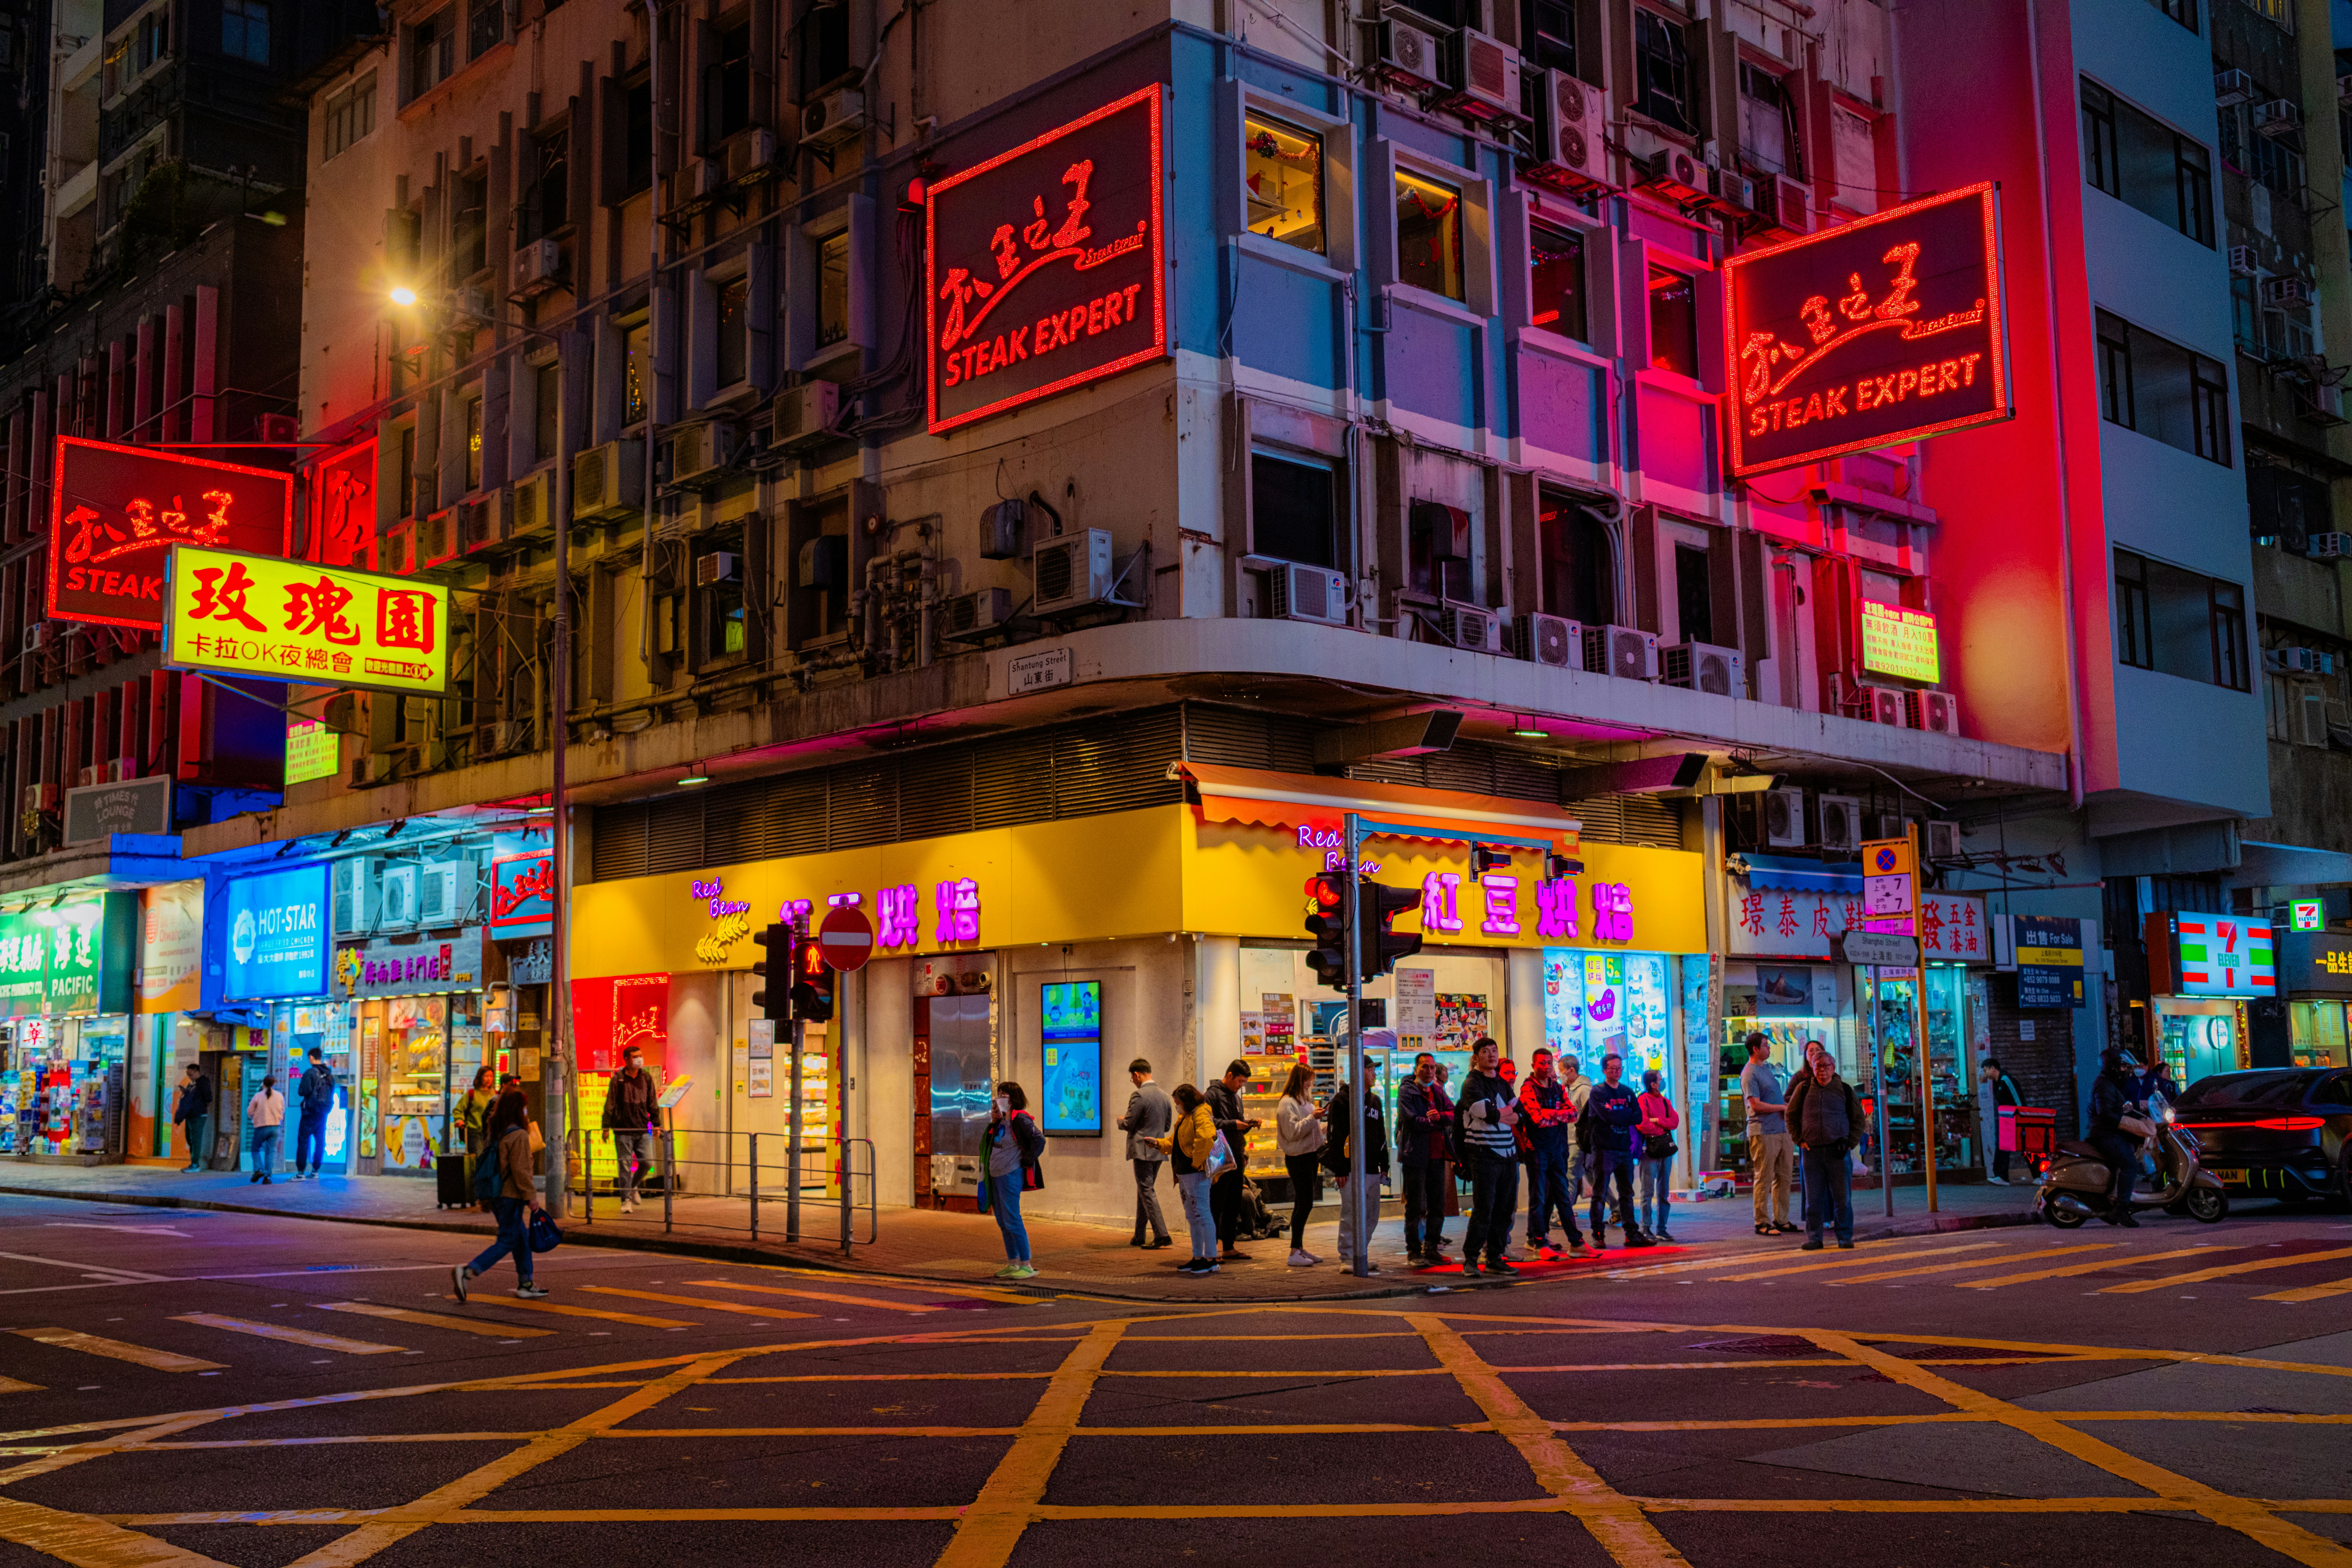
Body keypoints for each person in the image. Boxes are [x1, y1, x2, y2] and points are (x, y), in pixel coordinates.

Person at [453, 1090, 548, 1301]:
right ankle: (469, 1271)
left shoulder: (496, 1133)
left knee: (521, 1239)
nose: (526, 1111)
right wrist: (531, 1196)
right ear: (518, 1110)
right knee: (508, 1240)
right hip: (510, 1197)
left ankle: (526, 1284)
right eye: (524, 1107)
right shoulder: (519, 1135)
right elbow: (521, 1171)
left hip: (496, 1195)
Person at [1454, 1037, 1521, 1278]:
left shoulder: (1503, 1083)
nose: (1492, 1055)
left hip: (1508, 1156)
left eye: (1495, 1051)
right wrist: (1504, 1115)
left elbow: (1520, 1114)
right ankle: (1471, 1259)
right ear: (1476, 1057)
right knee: (1484, 1210)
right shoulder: (1472, 1083)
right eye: (1486, 1051)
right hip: (1483, 1156)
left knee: (1505, 1210)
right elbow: (1483, 1113)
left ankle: (1495, 1257)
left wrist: (1500, 1115)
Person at [1786, 1050, 1863, 1249]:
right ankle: (1814, 1238)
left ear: (1834, 1068)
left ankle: (1845, 1237)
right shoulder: (1803, 1090)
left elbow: (1858, 1119)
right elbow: (1791, 1116)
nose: (1822, 1070)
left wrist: (1850, 1143)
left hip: (1838, 1153)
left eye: (1827, 1066)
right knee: (1813, 1200)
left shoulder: (1845, 1090)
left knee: (1843, 1198)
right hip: (1811, 1152)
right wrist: (1799, 1140)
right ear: (1812, 1068)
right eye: (1818, 1066)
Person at [1517, 1049, 1589, 1258]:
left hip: (1558, 1149)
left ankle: (1576, 1243)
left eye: (1550, 1063)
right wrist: (1558, 1115)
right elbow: (1537, 1119)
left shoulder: (1557, 1088)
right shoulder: (1528, 1089)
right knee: (1538, 1198)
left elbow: (1573, 1114)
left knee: (1563, 1196)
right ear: (1534, 1066)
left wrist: (1550, 1114)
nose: (1547, 1067)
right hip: (1537, 1151)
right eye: (1542, 1063)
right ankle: (1539, 1243)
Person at [1325, 1054, 1389, 1267]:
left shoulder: (1375, 1101)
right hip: (1351, 1168)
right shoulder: (1342, 1100)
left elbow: (1381, 1135)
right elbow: (1335, 1137)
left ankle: (1360, 1253)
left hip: (1372, 1168)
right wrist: (1340, 1169)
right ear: (1358, 1071)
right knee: (1351, 1214)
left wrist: (1385, 1166)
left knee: (1372, 1215)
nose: (1374, 1073)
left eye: (1374, 1070)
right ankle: (1347, 1257)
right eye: (1370, 1069)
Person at [1581, 1054, 1652, 1248]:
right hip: (1604, 1149)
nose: (1616, 1071)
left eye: (1619, 1068)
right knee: (1600, 1193)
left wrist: (1619, 1115)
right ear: (1604, 1070)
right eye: (1612, 1068)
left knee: (1627, 1193)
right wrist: (1624, 1114)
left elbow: (1638, 1117)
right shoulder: (1598, 1092)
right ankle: (1598, 1234)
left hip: (1624, 1149)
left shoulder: (1627, 1092)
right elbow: (1607, 1116)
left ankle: (1632, 1234)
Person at [1150, 1083, 1220, 1273]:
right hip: (1185, 1176)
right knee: (1193, 1216)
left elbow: (1206, 1138)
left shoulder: (1201, 1113)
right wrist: (1158, 1143)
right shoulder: (1186, 1117)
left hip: (1196, 1174)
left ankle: (1211, 1259)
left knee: (1203, 1214)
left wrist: (1196, 1162)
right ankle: (1198, 1256)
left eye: (1178, 1102)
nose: (1177, 1106)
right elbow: (1176, 1141)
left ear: (1187, 1101)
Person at [980, 1080, 1043, 1279]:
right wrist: (993, 1122)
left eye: (1004, 1095)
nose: (1000, 1099)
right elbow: (989, 1143)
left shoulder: (1020, 1119)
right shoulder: (1000, 1121)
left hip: (1011, 1174)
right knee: (1002, 1221)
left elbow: (1039, 1139)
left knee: (1013, 1219)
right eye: (999, 1094)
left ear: (1013, 1098)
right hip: (996, 1175)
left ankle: (1027, 1265)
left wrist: (1027, 1160)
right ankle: (1013, 1263)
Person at [1397, 1052, 1454, 1265]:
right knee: (1415, 1206)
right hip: (1415, 1155)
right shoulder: (1407, 1091)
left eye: (1432, 1068)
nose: (1429, 1071)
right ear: (1416, 1069)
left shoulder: (1437, 1091)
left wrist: (1440, 1119)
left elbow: (1452, 1112)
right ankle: (1413, 1251)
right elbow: (1409, 1120)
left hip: (1437, 1156)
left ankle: (1431, 1248)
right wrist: (1434, 1123)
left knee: (1437, 1205)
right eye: (1425, 1067)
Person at [1206, 1060, 1260, 1262]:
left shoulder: (1237, 1098)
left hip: (1237, 1155)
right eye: (1239, 1081)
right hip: (1221, 1156)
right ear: (1229, 1076)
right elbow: (1209, 1124)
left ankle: (1229, 1247)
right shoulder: (1212, 1095)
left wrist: (1248, 1125)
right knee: (1217, 1202)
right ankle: (1211, 1249)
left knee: (1233, 1202)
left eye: (1244, 1082)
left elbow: (1237, 1126)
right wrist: (1233, 1124)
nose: (1241, 1085)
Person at [1741, 1034, 1796, 1236]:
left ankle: (1781, 1219)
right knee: (1764, 1177)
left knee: (1784, 1177)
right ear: (1755, 1049)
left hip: (1782, 1130)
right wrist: (1781, 1107)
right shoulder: (1750, 1073)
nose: (1769, 1048)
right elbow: (1754, 1105)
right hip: (1763, 1131)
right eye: (1766, 1045)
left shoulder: (1768, 1069)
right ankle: (1761, 1222)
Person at [1117, 1057, 1175, 1250]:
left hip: (1142, 1150)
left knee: (1147, 1191)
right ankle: (1139, 1235)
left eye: (1132, 1078)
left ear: (1136, 1075)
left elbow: (1128, 1124)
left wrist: (1120, 1120)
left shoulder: (1139, 1096)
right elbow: (1167, 1126)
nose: (1133, 1082)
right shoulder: (1165, 1096)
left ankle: (1162, 1235)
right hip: (1158, 1150)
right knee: (1145, 1190)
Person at [2087, 1046, 2145, 1226]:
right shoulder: (2104, 1085)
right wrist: (2124, 1122)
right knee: (2130, 1166)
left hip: (2112, 1133)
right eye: (2123, 1068)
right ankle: (2122, 1210)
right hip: (2105, 1134)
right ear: (2112, 1066)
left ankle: (2112, 1205)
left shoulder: (2111, 1084)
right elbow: (2105, 1113)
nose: (2125, 1072)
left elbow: (2119, 1108)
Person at [1274, 1062, 1325, 1267]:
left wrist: (1322, 1125)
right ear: (1299, 1080)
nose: (1310, 1084)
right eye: (1307, 1080)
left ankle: (1300, 1248)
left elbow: (1311, 1129)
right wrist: (1313, 1118)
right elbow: (1292, 1132)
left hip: (1311, 1155)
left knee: (1303, 1203)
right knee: (1305, 1203)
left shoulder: (1304, 1100)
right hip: (1298, 1158)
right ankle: (1294, 1251)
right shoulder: (1287, 1103)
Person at [601, 1046, 660, 1213]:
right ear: (627, 1059)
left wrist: (656, 1125)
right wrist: (606, 1127)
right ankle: (625, 1201)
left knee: (648, 1162)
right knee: (625, 1166)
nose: (639, 1059)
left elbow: (652, 1104)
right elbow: (610, 1104)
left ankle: (632, 1187)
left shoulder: (646, 1079)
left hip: (641, 1129)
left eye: (641, 1056)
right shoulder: (618, 1079)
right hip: (623, 1130)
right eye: (635, 1057)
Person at [1636, 1068, 1680, 1242]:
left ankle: (1662, 1229)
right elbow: (1642, 1125)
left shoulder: (1664, 1101)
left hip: (1664, 1151)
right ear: (1653, 1084)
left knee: (1663, 1191)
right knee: (1648, 1191)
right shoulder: (1643, 1100)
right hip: (1650, 1151)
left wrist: (1657, 1121)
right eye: (1660, 1080)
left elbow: (1675, 1122)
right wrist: (1663, 1126)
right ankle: (1646, 1228)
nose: (1662, 1082)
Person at [292, 1049, 335, 1179]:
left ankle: (301, 1172)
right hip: (322, 1114)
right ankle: (316, 1171)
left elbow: (303, 1092)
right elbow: (331, 1093)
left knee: (304, 1141)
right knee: (320, 1141)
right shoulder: (329, 1075)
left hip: (309, 1113)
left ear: (311, 1058)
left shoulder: (310, 1073)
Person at [456, 1066, 498, 1199]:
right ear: (480, 1078)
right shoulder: (471, 1095)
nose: (489, 1079)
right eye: (486, 1076)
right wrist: (460, 1120)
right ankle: (478, 1193)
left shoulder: (495, 1094)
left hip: (491, 1134)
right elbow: (458, 1110)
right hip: (475, 1133)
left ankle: (488, 1191)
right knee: (479, 1161)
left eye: (491, 1076)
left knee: (491, 1162)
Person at [1982, 1055, 2023, 1185]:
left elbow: (2018, 1100)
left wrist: (2021, 1117)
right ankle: (2001, 1176)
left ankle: (2003, 1176)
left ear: (1993, 1069)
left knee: (2020, 1145)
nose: (1984, 1074)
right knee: (2002, 1145)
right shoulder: (1997, 1082)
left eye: (1985, 1070)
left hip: (2015, 1119)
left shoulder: (2006, 1080)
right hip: (2005, 1119)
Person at [245, 1075, 285, 1185]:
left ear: (264, 1083)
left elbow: (250, 1111)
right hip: (275, 1128)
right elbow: (283, 1111)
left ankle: (259, 1169)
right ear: (274, 1084)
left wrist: (255, 1116)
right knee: (270, 1152)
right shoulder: (280, 1096)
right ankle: (267, 1177)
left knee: (255, 1149)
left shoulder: (258, 1096)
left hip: (261, 1127)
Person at [173, 1063, 213, 1173]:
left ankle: (195, 1164)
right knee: (190, 1139)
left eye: (191, 1074)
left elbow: (209, 1099)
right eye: (188, 1075)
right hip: (191, 1115)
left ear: (197, 1072)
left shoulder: (203, 1082)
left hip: (199, 1115)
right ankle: (193, 1163)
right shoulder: (192, 1084)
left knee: (196, 1140)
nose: (189, 1077)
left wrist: (204, 1111)